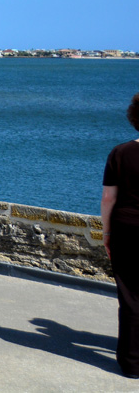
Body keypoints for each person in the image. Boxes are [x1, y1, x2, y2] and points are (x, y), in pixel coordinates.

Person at [103, 92, 139, 378]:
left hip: (126, 230)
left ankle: (131, 363)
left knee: (129, 296)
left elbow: (108, 200)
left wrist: (106, 234)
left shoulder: (119, 153)